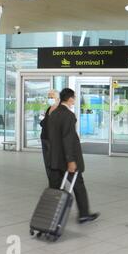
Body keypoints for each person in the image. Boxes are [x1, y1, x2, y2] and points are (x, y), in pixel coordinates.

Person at [48, 88, 100, 224]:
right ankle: (84, 214)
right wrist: (71, 160)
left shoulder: (53, 113)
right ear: (70, 99)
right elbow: (68, 139)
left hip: (55, 159)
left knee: (55, 188)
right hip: (67, 160)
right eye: (74, 98)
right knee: (78, 185)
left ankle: (50, 215)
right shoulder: (68, 115)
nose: (74, 100)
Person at [40, 90, 60, 181]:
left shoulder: (59, 111)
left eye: (52, 97)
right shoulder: (49, 108)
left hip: (52, 140)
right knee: (47, 162)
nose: (50, 99)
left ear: (58, 99)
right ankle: (51, 181)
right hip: (44, 138)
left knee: (53, 162)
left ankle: (55, 181)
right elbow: (45, 123)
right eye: (48, 97)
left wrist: (43, 122)